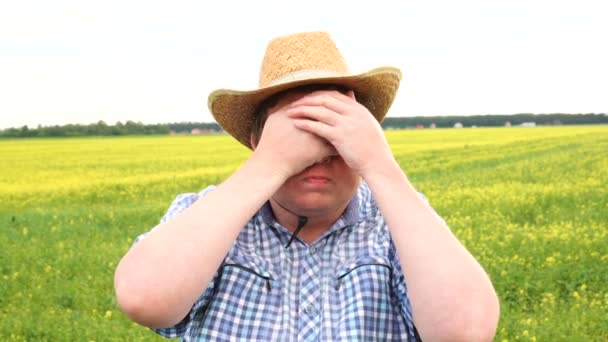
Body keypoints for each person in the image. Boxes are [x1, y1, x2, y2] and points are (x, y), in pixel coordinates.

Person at [114, 31, 499, 341]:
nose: (316, 154)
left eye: (335, 132)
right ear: (257, 140)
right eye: (299, 130)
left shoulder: (398, 223)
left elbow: (464, 333)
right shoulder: (207, 216)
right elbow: (145, 300)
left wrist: (379, 165)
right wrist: (271, 161)